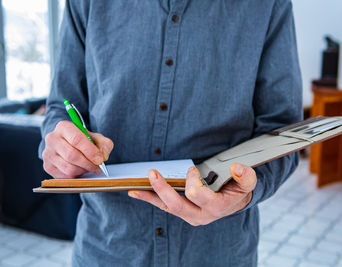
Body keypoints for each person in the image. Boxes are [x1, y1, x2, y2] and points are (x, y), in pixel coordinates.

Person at [40, 0, 302, 266]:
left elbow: (283, 129)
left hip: (219, 252)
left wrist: (245, 193)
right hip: (107, 249)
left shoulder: (268, 4)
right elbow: (60, 108)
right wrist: (60, 146)